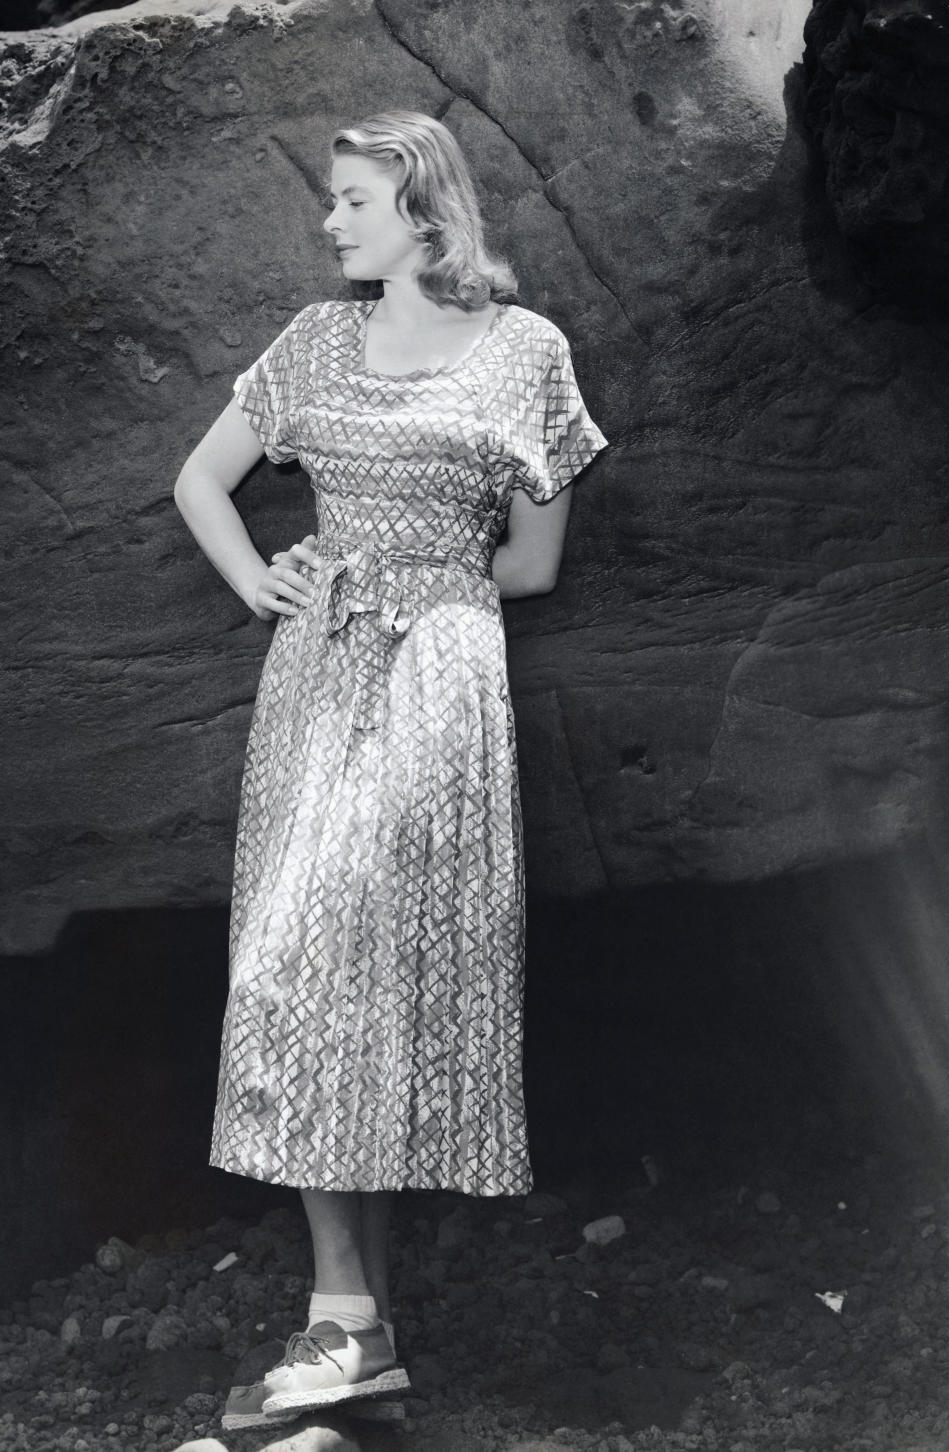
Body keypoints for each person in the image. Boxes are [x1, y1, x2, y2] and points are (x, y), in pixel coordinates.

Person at [173, 109, 607, 1423]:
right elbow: (200, 479)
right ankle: (346, 1316)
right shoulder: (314, 342)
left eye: (353, 198)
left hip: (441, 684)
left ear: (426, 208)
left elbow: (533, 563)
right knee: (294, 959)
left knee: (384, 968)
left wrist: (428, 586)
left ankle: (348, 1326)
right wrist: (267, 578)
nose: (330, 220)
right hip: (318, 668)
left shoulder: (528, 350)